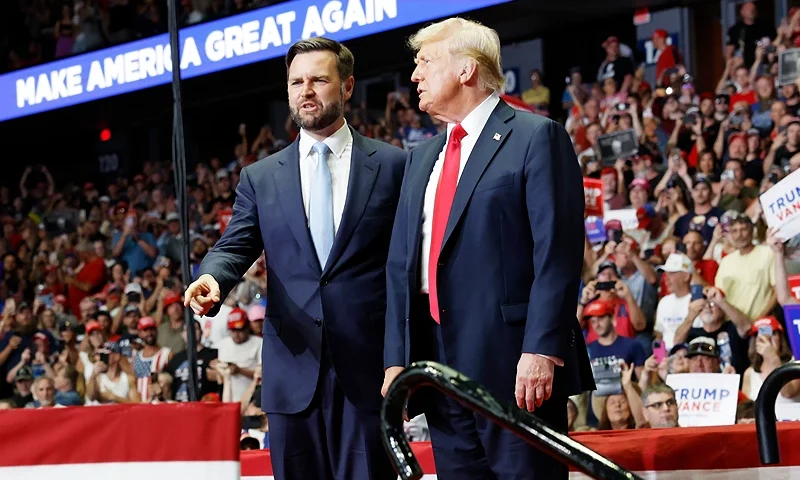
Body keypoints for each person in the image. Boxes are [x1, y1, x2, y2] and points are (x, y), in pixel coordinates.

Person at [184, 37, 406, 480]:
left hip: (369, 372)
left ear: (346, 87)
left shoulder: (395, 165)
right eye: (296, 82)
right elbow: (234, 246)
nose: (306, 90)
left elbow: (405, 262)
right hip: (292, 374)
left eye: (319, 79)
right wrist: (212, 277)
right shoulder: (261, 176)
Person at [383, 18, 594, 480]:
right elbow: (402, 265)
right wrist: (397, 360)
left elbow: (556, 254)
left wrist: (541, 349)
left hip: (514, 366)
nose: (414, 75)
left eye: (425, 62)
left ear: (465, 69)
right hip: (436, 371)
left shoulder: (536, 136)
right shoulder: (420, 158)